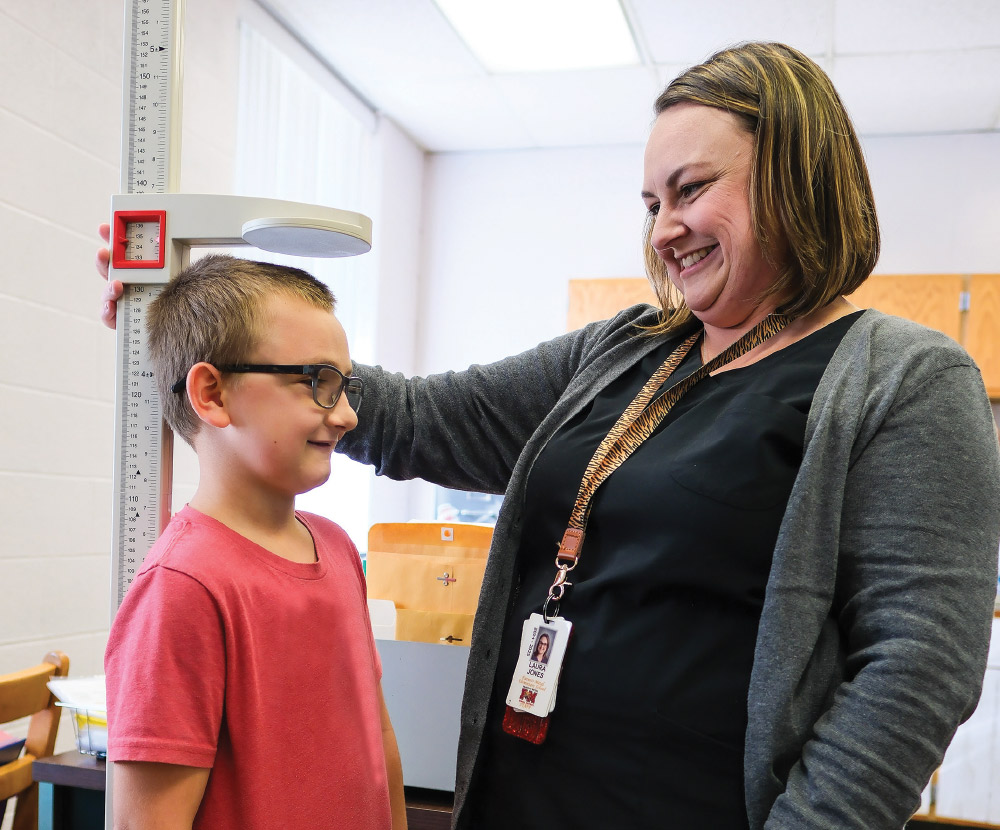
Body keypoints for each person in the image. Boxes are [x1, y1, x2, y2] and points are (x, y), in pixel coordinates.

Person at [98, 42, 1000, 830]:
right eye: (651, 200)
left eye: (693, 190)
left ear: (797, 175)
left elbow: (917, 670)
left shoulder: (905, 380)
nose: (665, 228)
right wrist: (197, 311)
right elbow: (418, 417)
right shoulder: (623, 354)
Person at [103, 255, 407, 830]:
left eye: (347, 386)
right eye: (317, 382)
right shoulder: (183, 587)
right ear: (213, 394)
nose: (345, 415)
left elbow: (377, 742)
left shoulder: (339, 548)